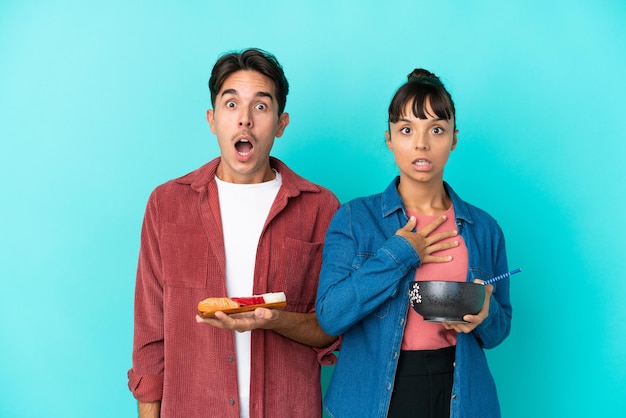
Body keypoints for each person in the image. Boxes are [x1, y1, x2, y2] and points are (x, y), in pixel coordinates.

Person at [128, 48, 340, 418]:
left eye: (261, 106)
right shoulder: (167, 204)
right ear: (212, 119)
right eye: (231, 105)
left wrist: (277, 319)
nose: (245, 120)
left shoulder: (320, 207)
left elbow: (331, 327)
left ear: (281, 122)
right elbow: (150, 335)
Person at [316, 69, 512, 418]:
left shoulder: (485, 229)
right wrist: (401, 253)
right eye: (407, 130)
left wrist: (484, 314)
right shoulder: (355, 219)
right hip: (377, 393)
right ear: (389, 138)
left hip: (460, 391)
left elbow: (498, 332)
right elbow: (331, 316)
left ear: (453, 138)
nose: (421, 143)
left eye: (436, 129)